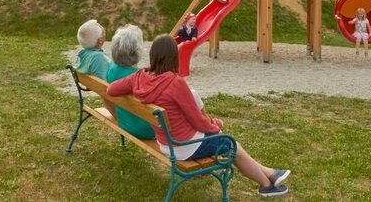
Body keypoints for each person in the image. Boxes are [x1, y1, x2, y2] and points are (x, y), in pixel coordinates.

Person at [107, 35, 291, 197]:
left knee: (228, 143)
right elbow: (198, 121)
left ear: (153, 56)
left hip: (166, 144)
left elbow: (111, 89)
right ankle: (266, 185)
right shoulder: (175, 83)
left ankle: (270, 174)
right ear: (174, 57)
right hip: (184, 147)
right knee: (231, 144)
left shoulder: (139, 77)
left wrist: (141, 76)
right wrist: (216, 127)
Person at [106, 24, 156, 139]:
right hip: (146, 130)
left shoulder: (112, 70)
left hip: (125, 123)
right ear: (137, 51)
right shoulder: (141, 78)